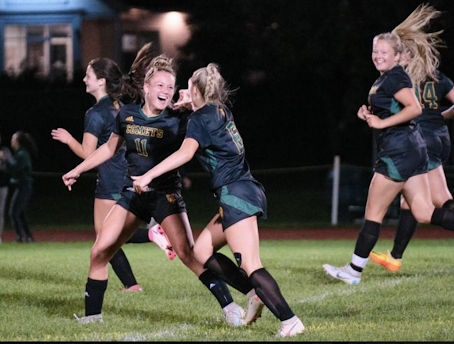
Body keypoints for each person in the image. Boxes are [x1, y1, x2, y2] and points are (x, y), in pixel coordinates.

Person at [322, 6, 454, 285]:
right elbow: (397, 109)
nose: (378, 55)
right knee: (423, 212)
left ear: (398, 56)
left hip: (398, 152)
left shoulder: (394, 76)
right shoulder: (388, 78)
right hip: (413, 150)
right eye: (375, 51)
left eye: (384, 51)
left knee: (373, 214)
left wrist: (381, 124)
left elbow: (414, 108)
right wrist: (370, 116)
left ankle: (354, 271)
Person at [63, 54, 245, 326]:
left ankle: (230, 307)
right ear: (146, 87)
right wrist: (78, 169)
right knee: (99, 251)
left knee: (187, 254)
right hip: (132, 195)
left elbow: (209, 117)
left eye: (170, 87)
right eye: (160, 85)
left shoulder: (180, 118)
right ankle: (92, 317)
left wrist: (191, 106)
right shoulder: (126, 114)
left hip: (165, 196)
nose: (166, 91)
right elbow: (109, 148)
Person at [131, 63, 305, 337]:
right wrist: (189, 105)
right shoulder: (219, 109)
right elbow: (204, 124)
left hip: (236, 193)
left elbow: (185, 154)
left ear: (198, 89)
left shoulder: (202, 118)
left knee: (250, 264)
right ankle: (252, 294)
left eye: (188, 85)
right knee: (202, 252)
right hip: (241, 190)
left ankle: (289, 320)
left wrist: (147, 176)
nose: (182, 90)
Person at [51, 51, 175, 293]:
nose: (84, 79)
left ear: (101, 81)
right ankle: (132, 284)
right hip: (127, 174)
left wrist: (68, 140)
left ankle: (151, 235)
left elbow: (89, 153)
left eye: (88, 75)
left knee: (104, 236)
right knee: (109, 236)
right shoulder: (122, 106)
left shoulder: (95, 113)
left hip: (109, 178)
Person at [0, 131, 37, 243]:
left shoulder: (22, 154)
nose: (11, 141)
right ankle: (29, 237)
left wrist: (4, 159)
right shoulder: (20, 154)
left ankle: (20, 237)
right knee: (20, 213)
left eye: (13, 139)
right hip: (22, 186)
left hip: (24, 187)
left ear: (18, 141)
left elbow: (15, 168)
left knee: (13, 213)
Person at [0, 133, 11, 243]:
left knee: (0, 212)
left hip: (2, 185)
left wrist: (4, 160)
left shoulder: (5, 151)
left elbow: (12, 166)